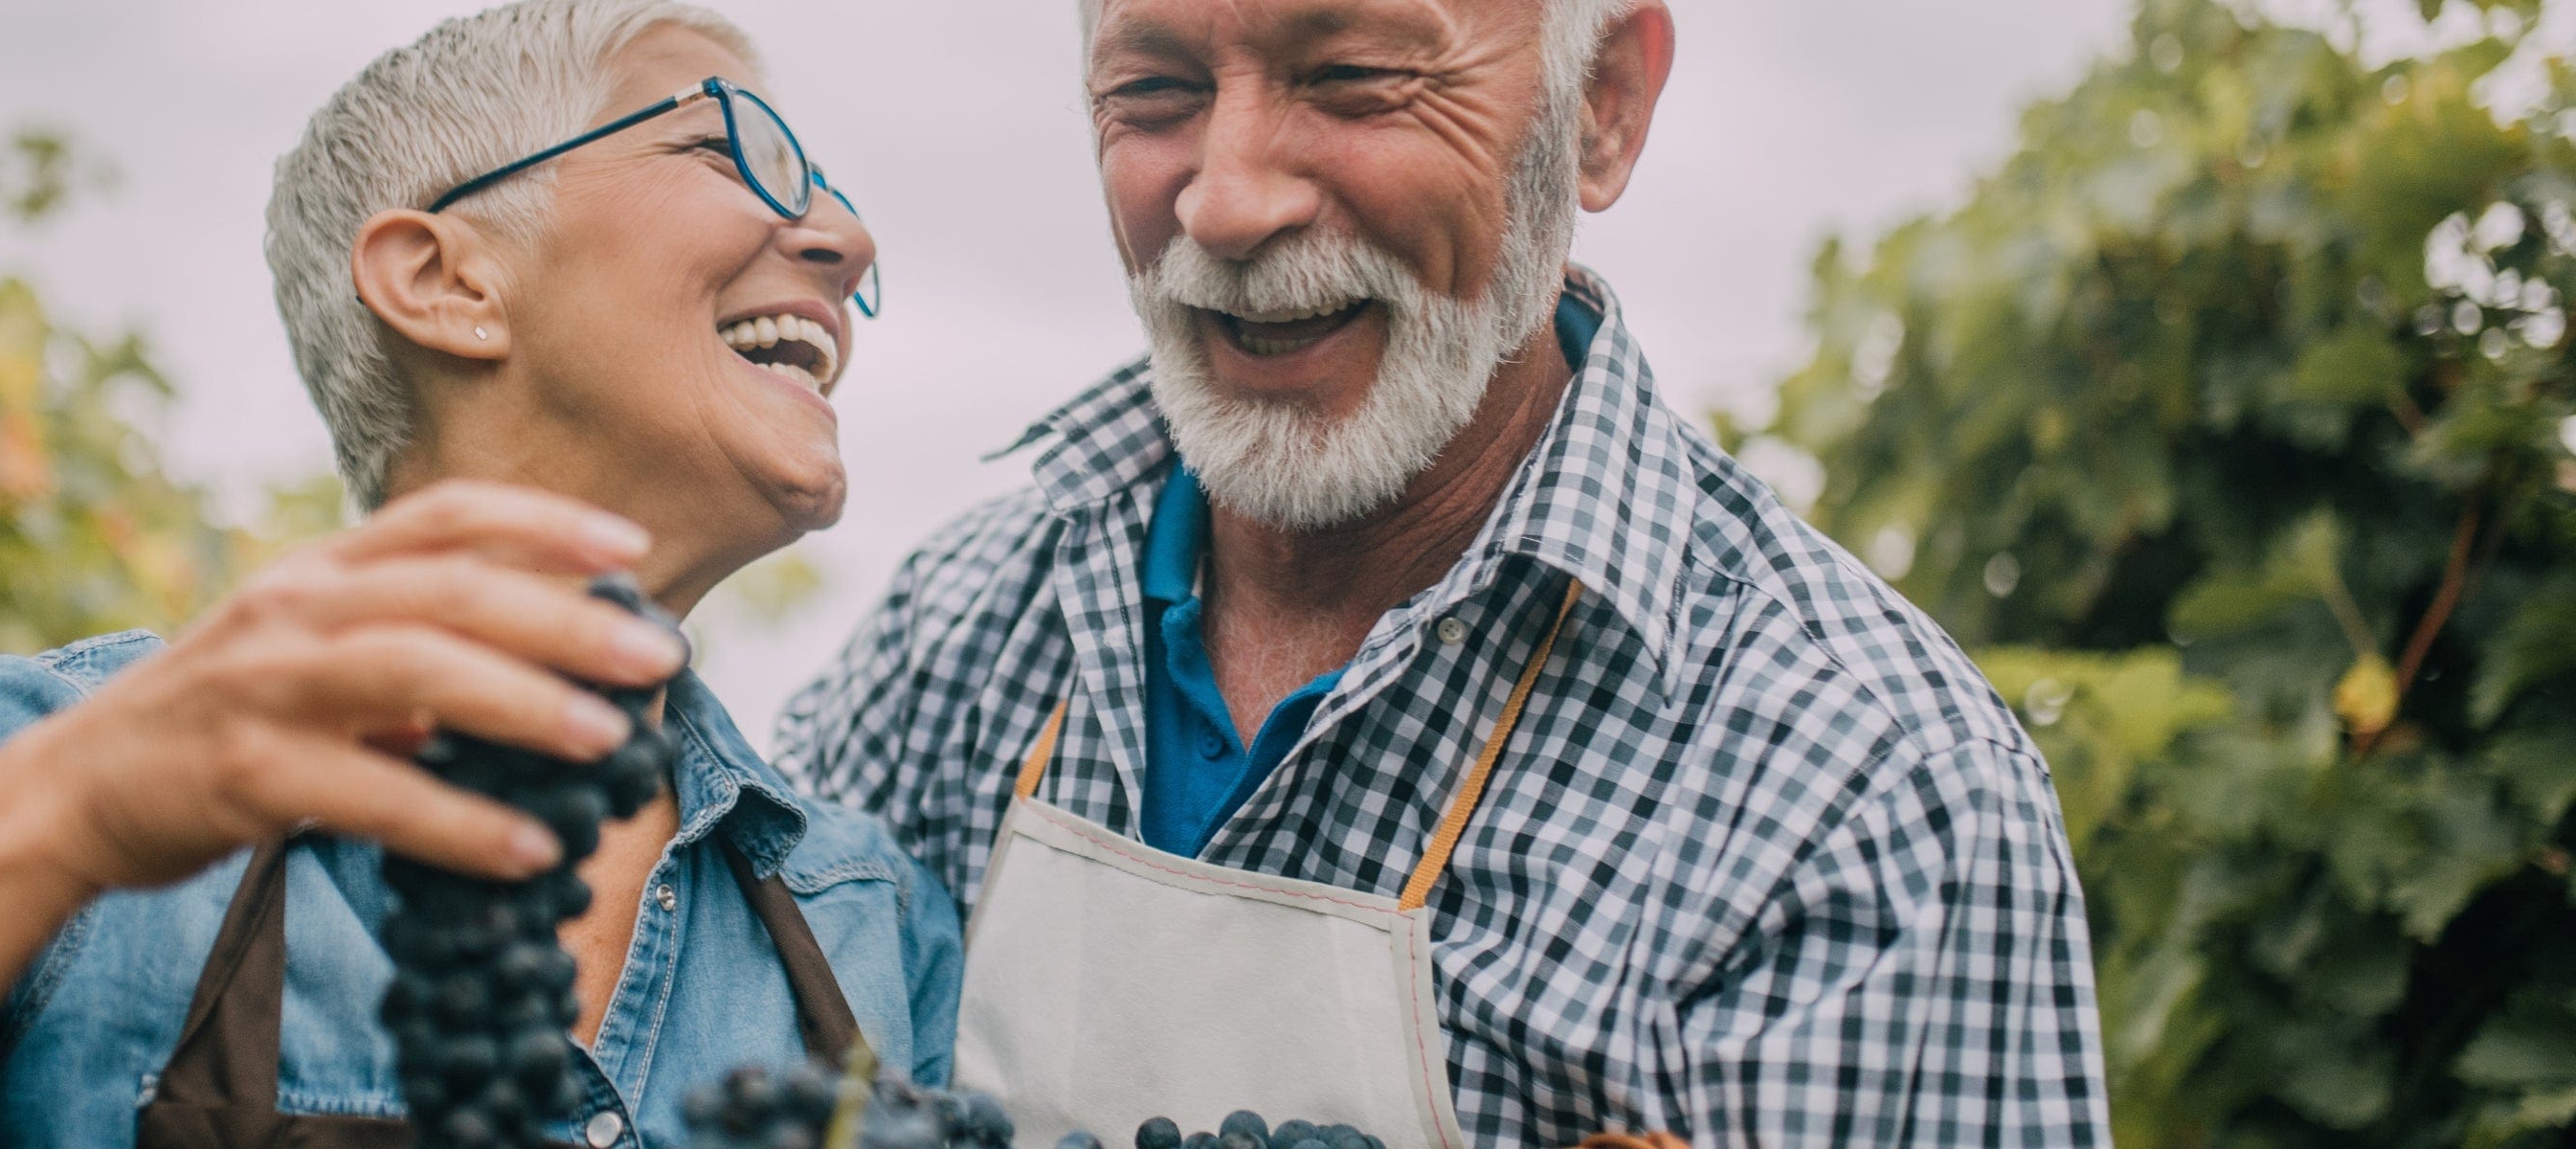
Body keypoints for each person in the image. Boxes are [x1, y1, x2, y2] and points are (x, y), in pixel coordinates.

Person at [0, 4, 957, 1148]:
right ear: (446, 278)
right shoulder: (22, 767)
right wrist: (65, 817)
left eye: (824, 189)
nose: (845, 239)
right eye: (725, 156)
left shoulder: (871, 919)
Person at [774, 0, 2113, 1145]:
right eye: (1156, 90)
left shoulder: (1866, 794)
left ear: (1602, 105)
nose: (1226, 201)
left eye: (1355, 79)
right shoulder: (961, 627)